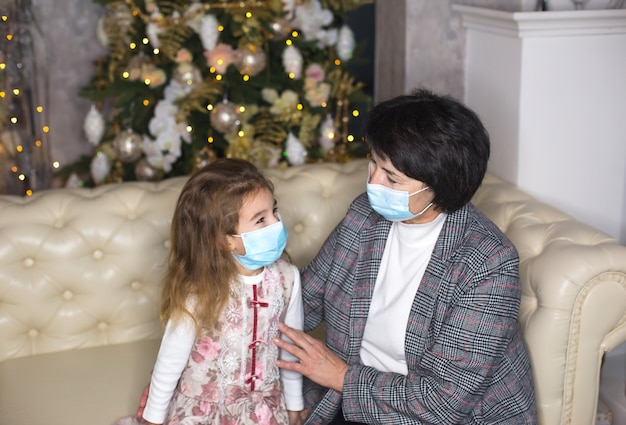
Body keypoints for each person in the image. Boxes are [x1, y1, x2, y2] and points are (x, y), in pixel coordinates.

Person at [274, 89, 538, 424]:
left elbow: (443, 403)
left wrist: (340, 377)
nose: (373, 181)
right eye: (373, 162)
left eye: (392, 177)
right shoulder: (363, 216)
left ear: (440, 186)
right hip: (358, 400)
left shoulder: (488, 263)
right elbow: (303, 301)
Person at [117, 158, 304, 425]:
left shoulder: (288, 278)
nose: (276, 223)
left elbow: (292, 348)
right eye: (260, 220)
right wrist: (153, 418)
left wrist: (294, 406)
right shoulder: (199, 290)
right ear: (225, 240)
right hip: (204, 413)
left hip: (263, 411)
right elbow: (171, 359)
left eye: (274, 211)